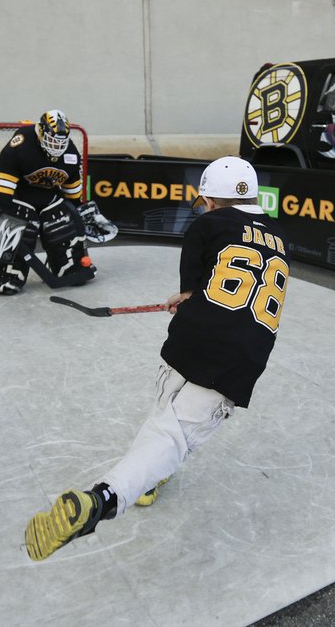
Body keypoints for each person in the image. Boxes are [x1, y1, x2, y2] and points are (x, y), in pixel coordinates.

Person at [24, 156, 291, 561]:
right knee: (173, 436)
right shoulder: (279, 238)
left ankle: (144, 480)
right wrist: (190, 301)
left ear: (213, 201)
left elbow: (192, 293)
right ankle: (104, 499)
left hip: (191, 339)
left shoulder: (206, 226)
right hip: (240, 355)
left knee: (164, 419)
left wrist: (183, 300)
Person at [0, 109, 96, 294]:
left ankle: (70, 265)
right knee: (19, 220)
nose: (56, 147)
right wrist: (11, 212)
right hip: (21, 195)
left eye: (61, 142)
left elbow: (73, 195)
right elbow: (3, 194)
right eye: (52, 140)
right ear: (41, 132)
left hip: (49, 196)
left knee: (62, 217)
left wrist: (75, 214)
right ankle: (4, 273)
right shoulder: (20, 145)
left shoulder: (71, 154)